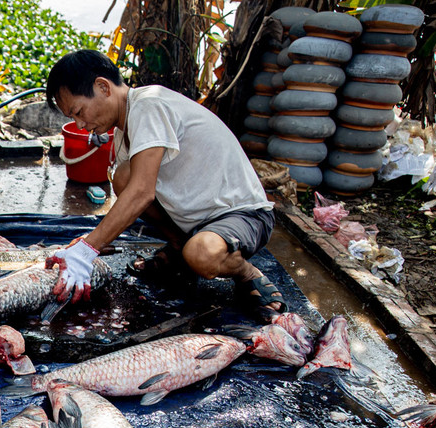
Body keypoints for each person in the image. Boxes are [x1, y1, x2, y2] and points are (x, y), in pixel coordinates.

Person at [44, 50, 283, 315]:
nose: (79, 125)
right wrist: (94, 240)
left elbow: (143, 192)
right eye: (72, 118)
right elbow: (130, 193)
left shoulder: (149, 104)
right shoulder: (123, 131)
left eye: (78, 111)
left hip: (240, 214)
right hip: (195, 223)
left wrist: (89, 248)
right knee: (123, 175)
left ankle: (246, 273)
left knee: (202, 254)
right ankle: (181, 248)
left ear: (103, 87)